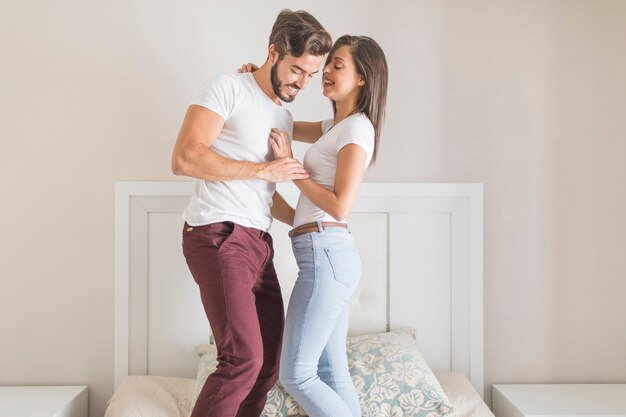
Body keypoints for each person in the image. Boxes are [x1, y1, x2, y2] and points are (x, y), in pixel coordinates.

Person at [170, 10, 332, 417]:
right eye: (297, 69)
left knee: (268, 366)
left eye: (311, 75)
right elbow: (185, 157)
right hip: (217, 233)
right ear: (273, 52)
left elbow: (263, 194)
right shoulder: (228, 87)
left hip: (258, 243)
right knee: (241, 359)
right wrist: (266, 169)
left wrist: (305, 221)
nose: (302, 82)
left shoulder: (283, 115)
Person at [244, 34, 388, 417]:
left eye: (338, 65)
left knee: (298, 375)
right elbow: (283, 124)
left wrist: (292, 167)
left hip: (327, 255)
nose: (326, 71)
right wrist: (256, 85)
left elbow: (340, 206)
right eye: (328, 64)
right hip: (325, 254)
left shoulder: (357, 130)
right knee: (328, 368)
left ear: (362, 78)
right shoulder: (335, 125)